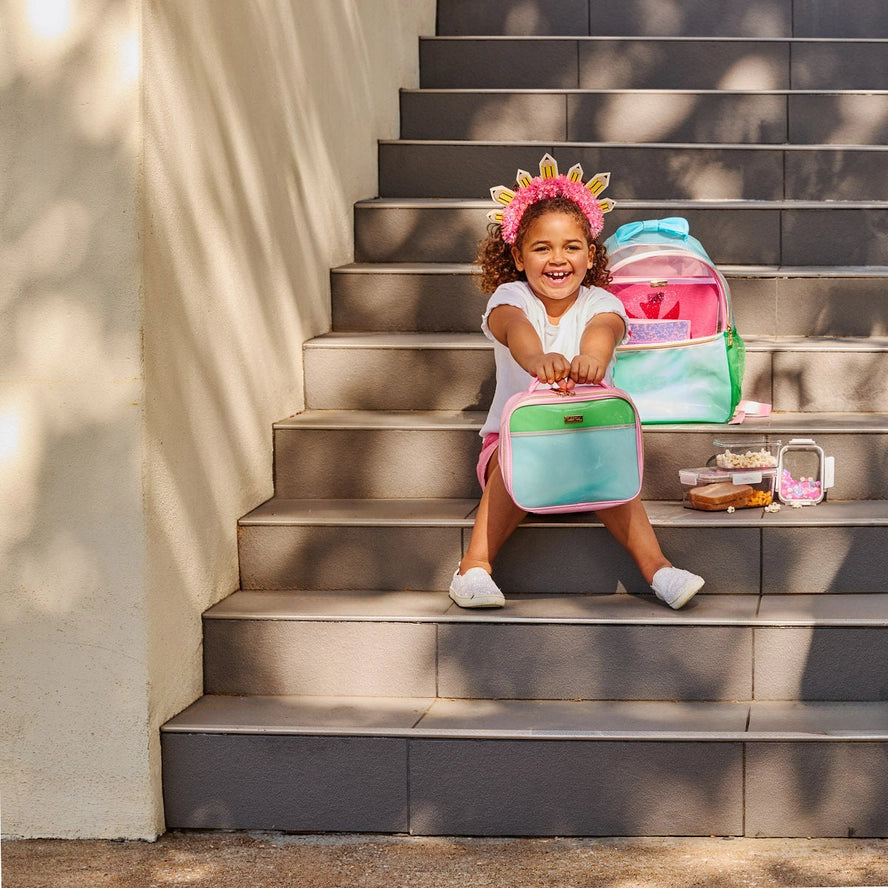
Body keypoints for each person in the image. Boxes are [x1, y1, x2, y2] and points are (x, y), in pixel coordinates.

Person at [449, 154, 704, 610]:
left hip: (587, 447)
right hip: (515, 446)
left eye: (571, 246)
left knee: (613, 469)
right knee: (512, 461)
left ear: (590, 253)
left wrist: (591, 358)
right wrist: (537, 359)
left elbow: (602, 331)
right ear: (517, 255)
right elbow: (517, 331)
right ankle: (473, 567)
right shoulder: (511, 298)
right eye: (541, 248)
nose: (557, 259)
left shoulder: (601, 302)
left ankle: (658, 569)